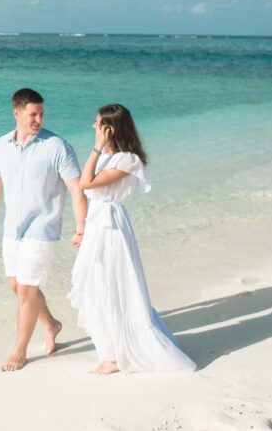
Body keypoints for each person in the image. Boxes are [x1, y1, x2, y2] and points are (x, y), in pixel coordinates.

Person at [67, 104, 196, 375]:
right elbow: (89, 189)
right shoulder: (107, 156)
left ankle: (115, 357)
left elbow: (86, 184)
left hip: (112, 229)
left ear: (109, 129)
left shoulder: (129, 160)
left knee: (111, 288)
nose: (93, 127)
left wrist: (95, 147)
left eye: (97, 123)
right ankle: (109, 353)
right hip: (97, 226)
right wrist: (83, 231)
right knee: (93, 288)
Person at [0, 88, 86, 372]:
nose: (38, 119)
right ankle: (51, 324)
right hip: (12, 228)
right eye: (32, 114)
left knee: (26, 290)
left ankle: (19, 351)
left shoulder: (57, 146)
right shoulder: (0, 145)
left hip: (43, 228)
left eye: (41, 114)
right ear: (17, 113)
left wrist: (81, 228)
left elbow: (76, 189)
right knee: (17, 287)